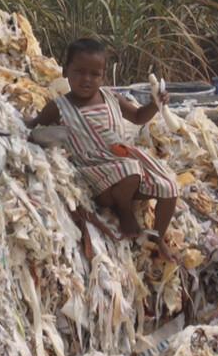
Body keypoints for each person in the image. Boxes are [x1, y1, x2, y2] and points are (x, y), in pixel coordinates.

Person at [27, 38, 179, 262]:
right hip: (95, 174)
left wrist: (155, 105)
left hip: (124, 160)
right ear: (65, 70)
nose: (87, 79)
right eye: (79, 71)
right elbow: (33, 125)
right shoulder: (58, 108)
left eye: (94, 74)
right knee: (128, 169)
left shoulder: (111, 97)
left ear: (102, 76)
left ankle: (157, 238)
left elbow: (138, 117)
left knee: (169, 187)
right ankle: (124, 213)